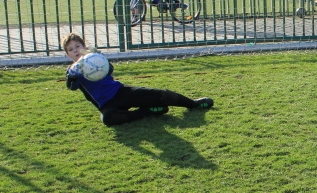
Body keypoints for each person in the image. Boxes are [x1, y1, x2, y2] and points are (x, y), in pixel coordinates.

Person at [61, 33, 213, 126]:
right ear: (67, 55)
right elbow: (72, 85)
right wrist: (73, 76)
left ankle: (193, 103)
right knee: (108, 119)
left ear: (84, 46)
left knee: (158, 94)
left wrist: (100, 59)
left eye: (77, 46)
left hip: (121, 92)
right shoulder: (73, 70)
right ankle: (147, 112)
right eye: (71, 49)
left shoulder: (95, 59)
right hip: (107, 104)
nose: (75, 51)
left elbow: (110, 70)